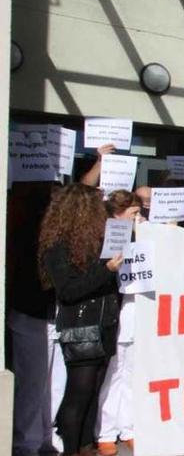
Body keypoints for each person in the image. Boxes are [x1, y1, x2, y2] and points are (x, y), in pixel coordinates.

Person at [38, 184, 123, 456]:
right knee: (79, 394)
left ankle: (86, 446)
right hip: (81, 326)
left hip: (104, 323)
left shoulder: (97, 241)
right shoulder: (57, 246)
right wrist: (106, 270)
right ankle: (71, 449)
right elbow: (69, 290)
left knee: (94, 392)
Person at [7, 182, 59, 456]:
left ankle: (42, 438)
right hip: (31, 314)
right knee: (32, 384)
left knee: (48, 385)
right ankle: (25, 443)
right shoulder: (32, 234)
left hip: (48, 315)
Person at [95, 191, 141, 456]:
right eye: (134, 212)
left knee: (132, 377)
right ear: (118, 214)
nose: (139, 217)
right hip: (117, 317)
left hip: (137, 318)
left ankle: (129, 428)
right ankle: (106, 432)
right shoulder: (109, 239)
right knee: (113, 377)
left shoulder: (143, 237)